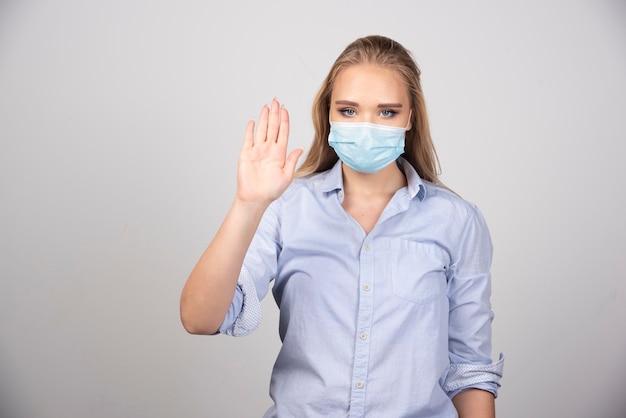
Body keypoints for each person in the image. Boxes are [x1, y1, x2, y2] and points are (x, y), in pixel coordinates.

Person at [180, 35, 504, 417]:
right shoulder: (286, 209)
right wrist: (247, 205)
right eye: (349, 110)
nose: (366, 127)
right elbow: (200, 319)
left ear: (411, 117)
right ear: (328, 113)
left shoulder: (457, 221)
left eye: (387, 112)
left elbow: (470, 369)